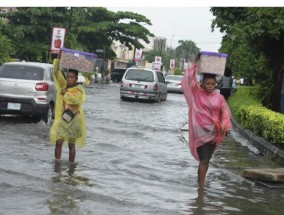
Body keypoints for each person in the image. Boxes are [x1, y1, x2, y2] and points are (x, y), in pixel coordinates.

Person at [181, 57, 232, 188]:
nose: (210, 86)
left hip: (214, 132)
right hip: (200, 131)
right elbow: (189, 79)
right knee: (204, 159)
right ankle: (201, 187)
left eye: (212, 84)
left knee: (207, 159)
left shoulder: (219, 98)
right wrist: (196, 60)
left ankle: (200, 182)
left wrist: (225, 125)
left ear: (216, 85)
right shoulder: (197, 93)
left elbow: (224, 113)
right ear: (202, 84)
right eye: (207, 84)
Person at [50, 58, 86, 162]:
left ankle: (71, 167)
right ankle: (57, 163)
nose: (69, 79)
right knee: (58, 142)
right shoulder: (63, 84)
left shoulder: (79, 89)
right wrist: (58, 59)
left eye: (72, 77)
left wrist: (65, 93)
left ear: (76, 78)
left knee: (71, 144)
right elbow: (56, 72)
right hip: (63, 118)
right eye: (68, 77)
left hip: (74, 119)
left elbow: (75, 100)